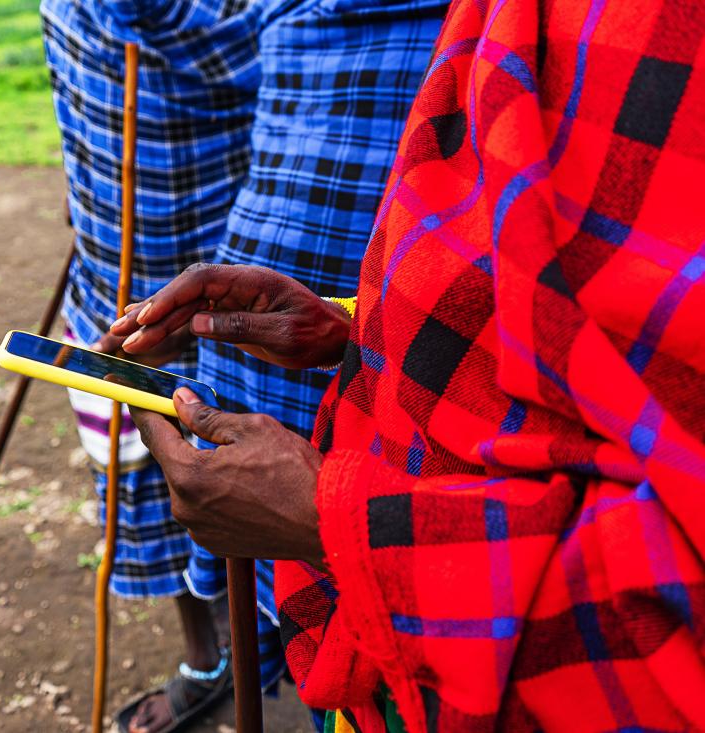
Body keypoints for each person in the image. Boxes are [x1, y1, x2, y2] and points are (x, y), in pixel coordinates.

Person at [109, 0, 705, 729]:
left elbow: (673, 607)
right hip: (390, 654)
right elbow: (557, 323)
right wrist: (362, 328)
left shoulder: (662, 37)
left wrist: (335, 521)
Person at [98, 0, 448, 728]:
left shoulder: (487, 27)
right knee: (260, 556)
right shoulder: (282, 10)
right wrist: (343, 323)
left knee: (366, 624)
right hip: (302, 331)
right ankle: (247, 660)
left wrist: (337, 519)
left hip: (390, 409)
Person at [39, 1, 263, 731]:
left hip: (215, 270)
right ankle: (210, 660)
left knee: (224, 465)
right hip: (119, 255)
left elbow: (200, 39)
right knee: (157, 469)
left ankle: (249, 645)